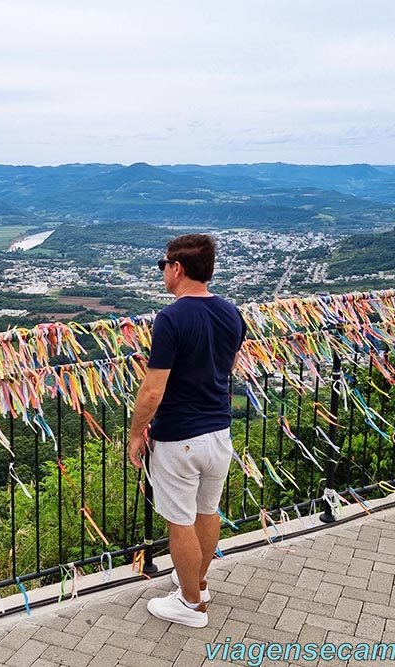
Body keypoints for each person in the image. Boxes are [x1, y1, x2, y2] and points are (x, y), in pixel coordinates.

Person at [128, 233, 246, 628]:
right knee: (207, 512)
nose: (163, 272)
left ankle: (191, 605)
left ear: (177, 268)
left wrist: (135, 433)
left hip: (179, 437)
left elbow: (152, 388)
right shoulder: (232, 313)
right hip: (219, 433)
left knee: (179, 521)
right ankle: (199, 582)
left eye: (164, 265)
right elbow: (223, 370)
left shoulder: (171, 318)